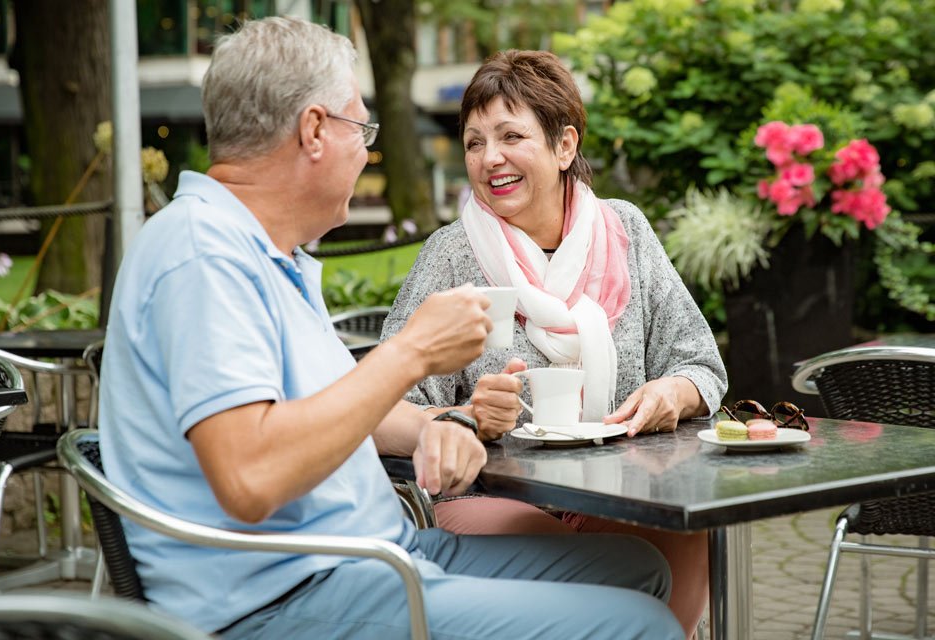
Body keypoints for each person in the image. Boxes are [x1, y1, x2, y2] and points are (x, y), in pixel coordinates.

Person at [98, 18, 684, 640]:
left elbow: (346, 412)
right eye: (362, 128)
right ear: (315, 131)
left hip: (371, 554)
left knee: (636, 569)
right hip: (283, 598)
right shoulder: (204, 256)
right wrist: (409, 354)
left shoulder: (267, 254)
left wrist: (451, 423)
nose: (368, 149)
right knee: (639, 624)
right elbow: (250, 479)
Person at [381, 50, 728, 639]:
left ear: (564, 146)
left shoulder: (626, 233)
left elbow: (699, 362)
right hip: (494, 497)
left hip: (622, 491)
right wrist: (464, 417)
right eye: (474, 142)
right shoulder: (451, 255)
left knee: (687, 532)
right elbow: (385, 401)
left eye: (511, 136)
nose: (490, 159)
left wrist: (675, 391)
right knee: (576, 553)